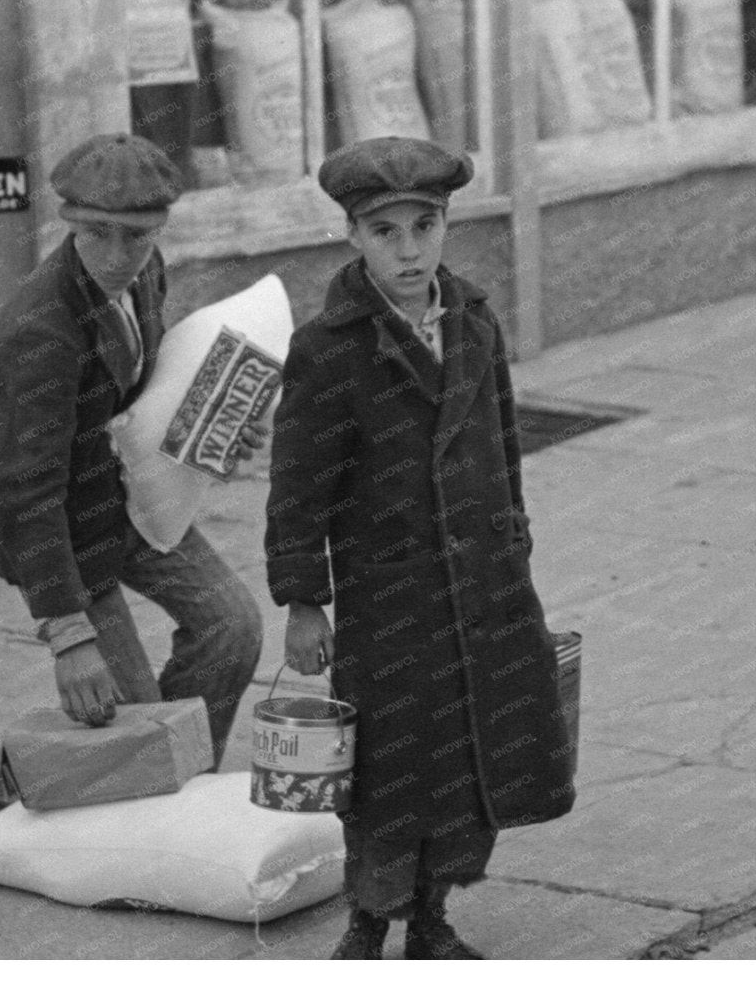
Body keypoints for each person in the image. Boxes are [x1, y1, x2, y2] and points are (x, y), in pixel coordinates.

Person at [267, 136, 574, 959]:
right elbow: (299, 485)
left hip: (482, 584)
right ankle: (368, 920)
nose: (408, 250)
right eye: (385, 231)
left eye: (425, 225)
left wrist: (515, 537)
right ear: (353, 236)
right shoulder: (328, 350)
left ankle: (433, 915)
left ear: (445, 225)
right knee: (387, 764)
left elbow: (503, 437)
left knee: (471, 755)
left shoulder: (473, 320)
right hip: (388, 597)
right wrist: (304, 598)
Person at [0, 133, 266, 852]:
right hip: (59, 535)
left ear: (161, 230)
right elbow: (24, 495)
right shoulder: (39, 331)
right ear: (69, 223)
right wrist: (69, 634)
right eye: (95, 235)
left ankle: (173, 780)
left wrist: (212, 435)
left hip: (124, 500)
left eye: (135, 237)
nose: (115, 255)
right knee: (121, 716)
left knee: (232, 626)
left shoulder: (144, 275)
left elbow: (141, 388)